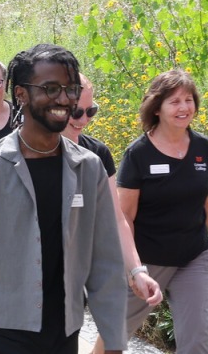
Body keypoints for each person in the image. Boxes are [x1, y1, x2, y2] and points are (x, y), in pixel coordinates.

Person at [0, 43, 130, 354]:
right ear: (22, 94)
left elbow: (105, 261)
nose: (64, 99)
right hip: (4, 335)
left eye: (70, 89)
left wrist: (114, 343)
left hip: (65, 332)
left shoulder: (88, 167)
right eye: (51, 88)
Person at [104, 69, 208, 354]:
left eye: (188, 100)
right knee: (114, 337)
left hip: (194, 255)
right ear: (157, 108)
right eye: (174, 101)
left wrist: (202, 237)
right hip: (148, 261)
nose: (184, 108)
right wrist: (133, 268)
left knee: (196, 342)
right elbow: (124, 216)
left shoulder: (202, 147)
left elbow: (204, 200)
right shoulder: (138, 154)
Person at [65, 75, 164, 354]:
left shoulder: (97, 154)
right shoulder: (25, 153)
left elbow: (116, 218)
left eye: (90, 111)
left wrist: (136, 271)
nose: (83, 120)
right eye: (76, 112)